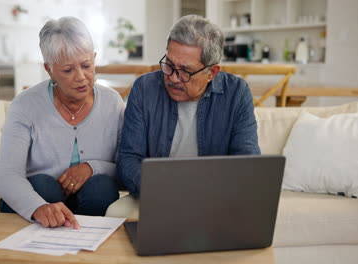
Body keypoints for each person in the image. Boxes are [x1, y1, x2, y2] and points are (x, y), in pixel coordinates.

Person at [111, 15, 260, 216]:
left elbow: (247, 163)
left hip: (214, 198)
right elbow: (129, 160)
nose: (172, 78)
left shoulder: (237, 92)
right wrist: (164, 194)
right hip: (156, 194)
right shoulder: (144, 89)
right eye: (169, 65)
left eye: (185, 72)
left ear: (212, 72)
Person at [0, 16, 124, 228]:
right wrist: (37, 206)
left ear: (94, 58)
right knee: (44, 186)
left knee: (102, 188)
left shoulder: (112, 103)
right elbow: (7, 175)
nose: (81, 77)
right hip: (39, 196)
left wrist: (92, 167)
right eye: (68, 70)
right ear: (49, 70)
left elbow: (125, 166)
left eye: (86, 65)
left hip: (92, 199)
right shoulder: (25, 105)